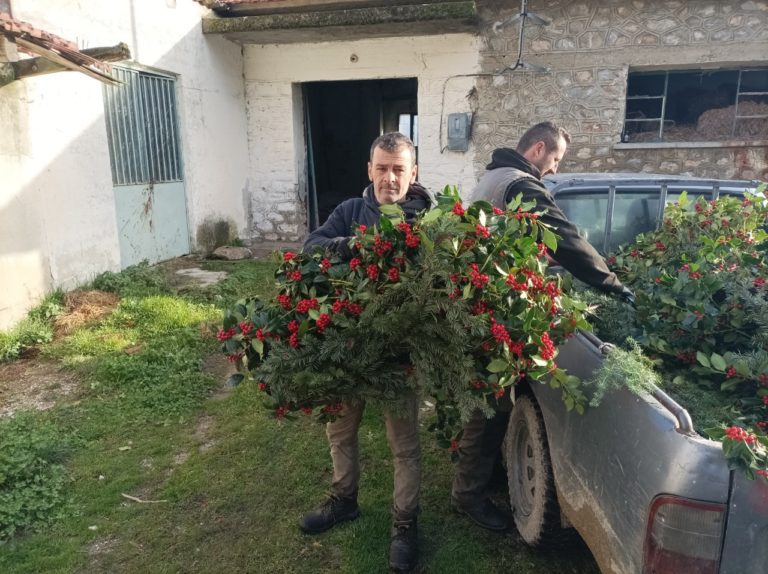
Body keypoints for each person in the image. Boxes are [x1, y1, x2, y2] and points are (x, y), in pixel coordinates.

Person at [452, 121, 634, 532]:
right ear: (537, 149)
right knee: (489, 406)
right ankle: (468, 495)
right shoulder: (521, 186)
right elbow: (565, 236)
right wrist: (610, 282)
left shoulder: (492, 177)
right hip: (493, 314)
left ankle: (477, 477)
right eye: (555, 160)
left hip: (482, 305)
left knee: (486, 401)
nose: (553, 169)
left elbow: (503, 239)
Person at [300, 132, 434, 573]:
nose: (390, 178)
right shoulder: (350, 212)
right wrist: (352, 246)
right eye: (382, 168)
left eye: (399, 169)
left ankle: (404, 525)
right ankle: (343, 500)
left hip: (400, 356)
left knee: (404, 444)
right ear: (370, 171)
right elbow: (310, 250)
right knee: (340, 431)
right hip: (350, 348)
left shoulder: (430, 223)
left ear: (413, 174)